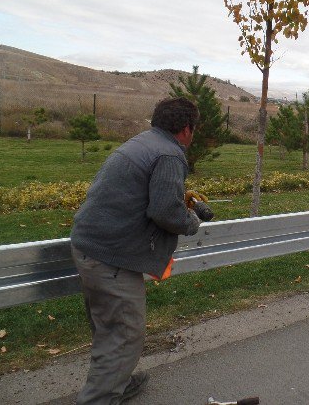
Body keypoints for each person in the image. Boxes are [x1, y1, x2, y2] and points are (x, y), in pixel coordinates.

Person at [70, 97, 202, 404]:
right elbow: (165, 213)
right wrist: (191, 221)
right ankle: (100, 398)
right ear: (186, 129)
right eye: (193, 129)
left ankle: (118, 382)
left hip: (89, 246)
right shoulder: (170, 154)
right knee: (124, 335)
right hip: (110, 259)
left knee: (110, 329)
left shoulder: (142, 142)